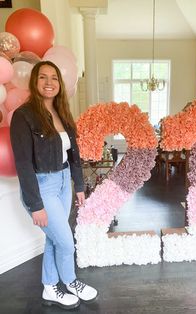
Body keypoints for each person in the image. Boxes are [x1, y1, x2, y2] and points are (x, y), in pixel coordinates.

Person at [10, 60, 98, 310]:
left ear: (60, 84)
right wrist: (35, 204)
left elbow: (74, 156)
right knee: (66, 241)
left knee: (55, 239)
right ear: (34, 82)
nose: (49, 83)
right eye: (43, 77)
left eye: (54, 78)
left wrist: (78, 186)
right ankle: (70, 281)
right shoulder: (23, 116)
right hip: (42, 185)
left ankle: (50, 287)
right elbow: (23, 163)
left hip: (63, 181)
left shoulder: (63, 114)